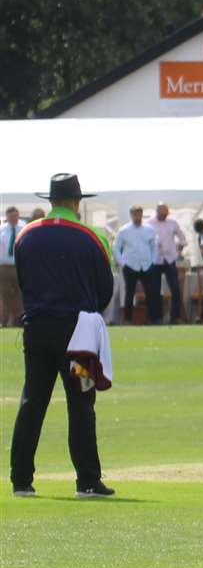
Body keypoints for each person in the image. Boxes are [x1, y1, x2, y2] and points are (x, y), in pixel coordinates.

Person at [10, 173, 116, 497]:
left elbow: (23, 281)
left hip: (37, 330)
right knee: (81, 402)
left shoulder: (25, 235)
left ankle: (21, 480)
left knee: (33, 400)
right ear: (76, 202)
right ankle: (87, 480)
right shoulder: (94, 237)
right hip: (78, 337)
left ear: (51, 201)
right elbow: (104, 291)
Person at [114, 205, 160, 325]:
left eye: (139, 214)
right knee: (129, 293)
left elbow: (154, 246)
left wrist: (153, 262)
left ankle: (152, 319)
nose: (137, 216)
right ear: (131, 215)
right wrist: (122, 264)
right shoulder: (124, 230)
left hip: (146, 265)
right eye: (135, 214)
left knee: (151, 292)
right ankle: (128, 319)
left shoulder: (149, 229)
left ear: (142, 214)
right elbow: (116, 247)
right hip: (130, 265)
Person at [149, 203, 187, 323]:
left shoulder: (172, 223)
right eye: (161, 213)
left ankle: (175, 317)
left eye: (165, 214)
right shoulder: (149, 224)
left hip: (170, 259)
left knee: (175, 289)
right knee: (155, 290)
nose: (163, 216)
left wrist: (180, 246)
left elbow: (182, 238)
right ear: (157, 212)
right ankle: (157, 317)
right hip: (155, 260)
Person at [0, 205, 24, 327]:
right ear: (7, 217)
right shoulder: (2, 229)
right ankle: (5, 321)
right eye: (11, 217)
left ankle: (19, 320)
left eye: (15, 216)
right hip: (4, 267)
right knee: (5, 295)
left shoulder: (24, 227)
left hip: (20, 266)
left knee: (20, 294)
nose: (13, 219)